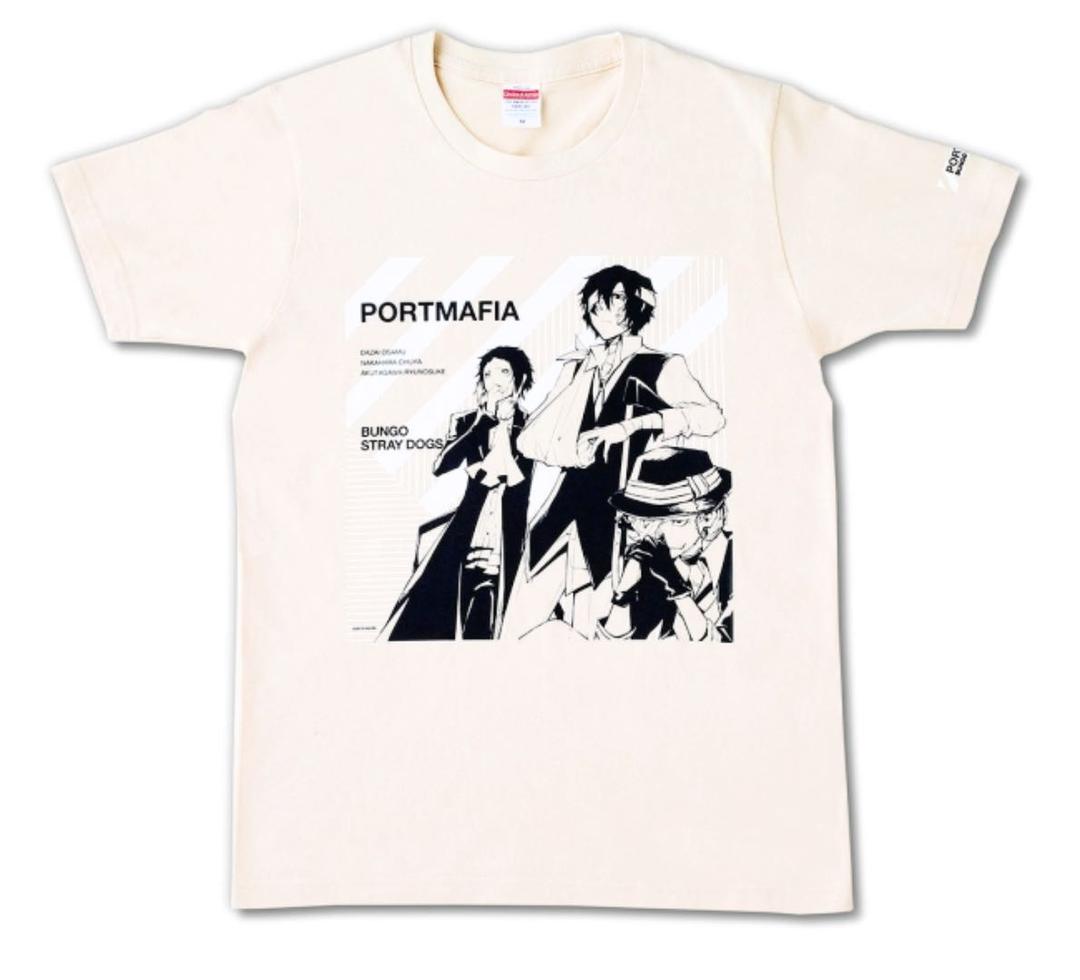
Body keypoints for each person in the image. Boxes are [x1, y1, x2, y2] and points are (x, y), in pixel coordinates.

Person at [503, 264, 726, 639]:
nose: (601, 309)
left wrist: (637, 425)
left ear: (637, 305)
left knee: (605, 620)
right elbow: (535, 435)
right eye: (594, 303)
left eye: (614, 299)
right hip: (562, 505)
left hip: (620, 509)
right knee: (522, 615)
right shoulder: (578, 366)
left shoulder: (662, 366)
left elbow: (710, 418)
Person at [379, 346, 535, 640]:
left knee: (501, 618)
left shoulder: (533, 424)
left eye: (503, 372)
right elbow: (441, 466)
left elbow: (515, 477)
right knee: (445, 607)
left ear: (520, 378)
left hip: (508, 532)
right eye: (488, 374)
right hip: (469, 528)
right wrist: (483, 421)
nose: (495, 380)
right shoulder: (466, 422)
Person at [598, 446, 733, 642]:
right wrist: (623, 595)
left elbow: (722, 646)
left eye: (675, 521)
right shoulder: (647, 565)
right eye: (643, 522)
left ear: (709, 517)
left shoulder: (738, 561)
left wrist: (679, 591)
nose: (652, 535)